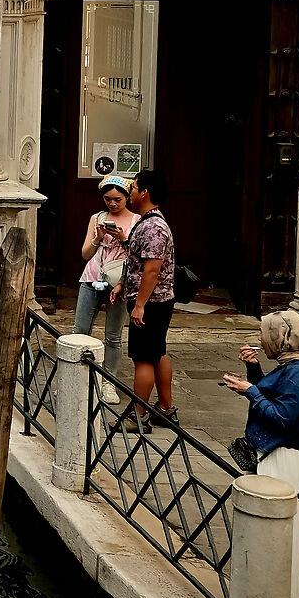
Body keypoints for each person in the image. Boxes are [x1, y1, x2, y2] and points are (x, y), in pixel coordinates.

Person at [222, 308, 299, 598]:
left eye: (265, 334)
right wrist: (253, 371)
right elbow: (276, 395)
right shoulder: (294, 365)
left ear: (282, 338)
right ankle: (273, 594)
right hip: (284, 456)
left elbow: (282, 419)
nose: (260, 339)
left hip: (285, 460)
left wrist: (251, 391)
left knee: (280, 530)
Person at [121, 169, 179, 427]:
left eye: (133, 187)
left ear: (144, 192)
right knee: (158, 352)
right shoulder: (149, 222)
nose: (130, 192)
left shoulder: (153, 227)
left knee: (143, 358)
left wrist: (140, 305)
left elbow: (152, 269)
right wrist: (122, 284)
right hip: (156, 301)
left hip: (152, 303)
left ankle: (139, 415)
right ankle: (165, 408)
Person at [74, 175, 139, 342]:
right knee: (80, 331)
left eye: (117, 199)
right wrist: (98, 238)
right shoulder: (97, 218)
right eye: (107, 199)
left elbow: (138, 256)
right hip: (92, 277)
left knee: (113, 336)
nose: (112, 203)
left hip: (119, 281)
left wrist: (123, 238)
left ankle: (109, 363)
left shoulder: (136, 220)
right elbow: (85, 254)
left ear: (127, 197)